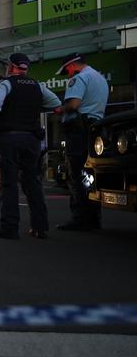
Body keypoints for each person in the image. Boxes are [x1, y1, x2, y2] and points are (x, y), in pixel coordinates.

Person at [0, 53, 61, 239]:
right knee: (33, 182)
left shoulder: (6, 84)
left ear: (10, 66)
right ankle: (40, 227)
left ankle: (9, 228)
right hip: (32, 140)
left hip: (9, 139)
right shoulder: (37, 86)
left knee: (9, 183)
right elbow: (56, 105)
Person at [54, 53, 108, 231]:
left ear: (72, 66)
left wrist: (60, 108)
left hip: (78, 130)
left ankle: (80, 218)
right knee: (90, 175)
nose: (68, 74)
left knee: (75, 173)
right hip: (95, 129)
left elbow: (74, 104)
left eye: (67, 70)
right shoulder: (99, 77)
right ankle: (94, 218)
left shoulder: (78, 78)